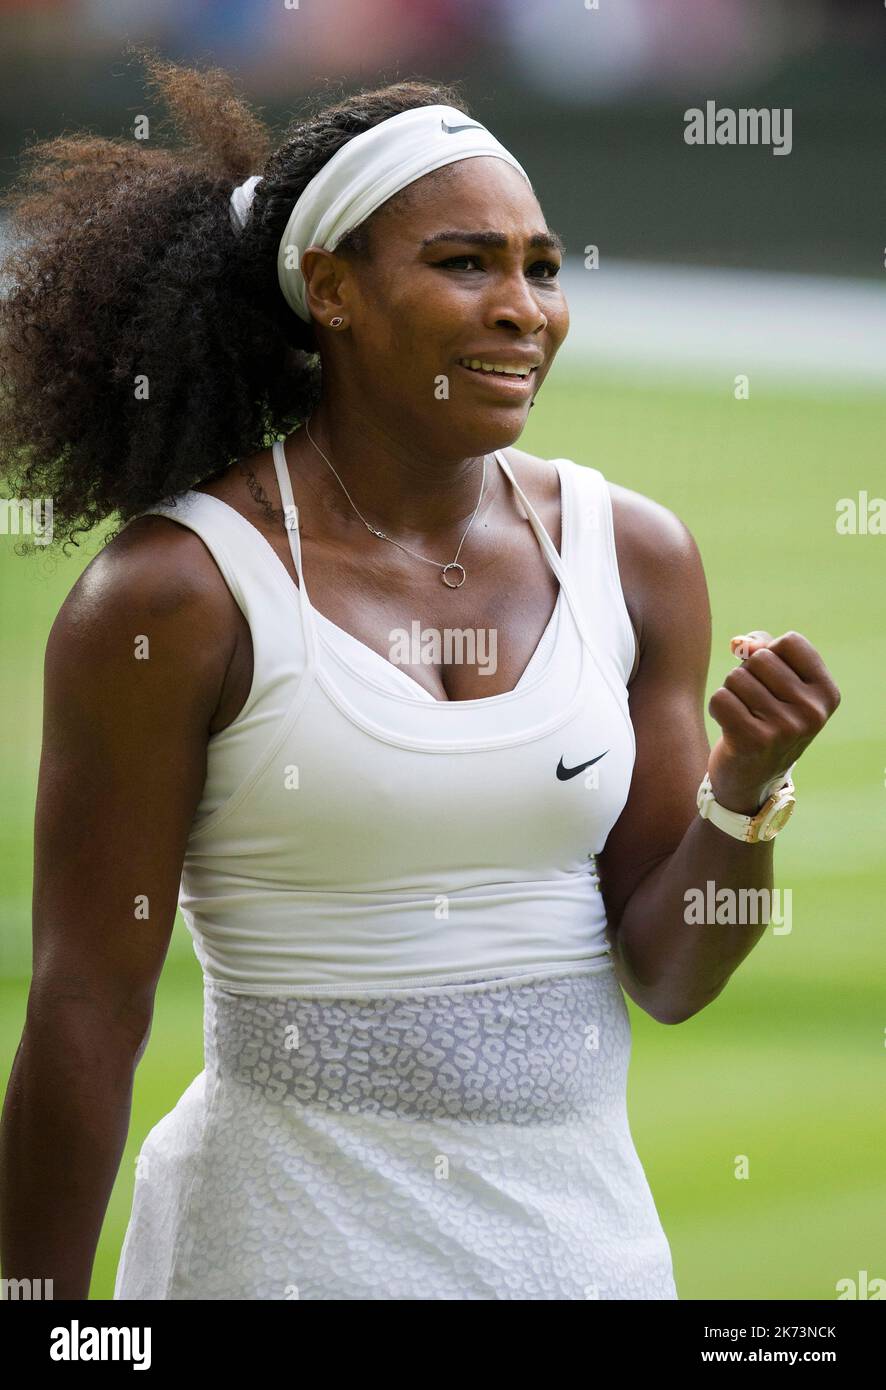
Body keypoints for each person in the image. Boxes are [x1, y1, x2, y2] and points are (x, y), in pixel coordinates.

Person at [0, 56, 840, 1301]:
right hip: (282, 1245)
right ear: (330, 290)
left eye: (541, 268)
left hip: (581, 1254)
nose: (523, 308)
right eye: (466, 263)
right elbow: (86, 1003)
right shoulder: (174, 595)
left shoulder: (636, 555)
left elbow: (669, 971)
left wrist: (745, 788)